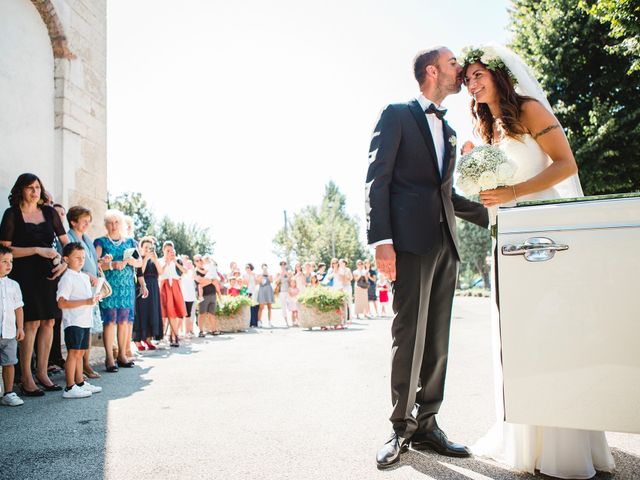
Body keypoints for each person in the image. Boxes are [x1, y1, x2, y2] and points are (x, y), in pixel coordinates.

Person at [461, 44, 614, 478]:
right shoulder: (486, 125)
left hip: (544, 232)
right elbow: (493, 182)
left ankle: (565, 447)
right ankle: (523, 440)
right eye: (468, 78)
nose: (472, 83)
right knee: (519, 335)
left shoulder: (528, 109)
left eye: (478, 74)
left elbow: (566, 164)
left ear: (497, 73)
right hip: (507, 238)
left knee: (553, 330)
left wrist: (513, 193)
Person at [366, 47, 489, 468]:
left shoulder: (450, 130)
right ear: (433, 70)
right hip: (410, 244)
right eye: (455, 64)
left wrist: (494, 214)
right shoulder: (397, 114)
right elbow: (377, 181)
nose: (462, 70)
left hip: (446, 244)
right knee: (410, 336)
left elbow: (446, 195)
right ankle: (400, 427)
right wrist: (381, 240)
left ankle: (429, 423)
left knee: (437, 339)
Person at [0, 173, 69, 396]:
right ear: (20, 190)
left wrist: (65, 263)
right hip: (24, 274)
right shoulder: (11, 214)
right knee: (31, 323)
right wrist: (37, 250)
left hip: (49, 273)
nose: (35, 191)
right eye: (30, 187)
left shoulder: (49, 212)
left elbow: (66, 244)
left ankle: (42, 372)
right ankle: (26, 377)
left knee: (49, 321)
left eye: (38, 187)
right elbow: (6, 251)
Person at [94, 209, 141, 372]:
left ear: (121, 224)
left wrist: (129, 261)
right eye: (109, 222)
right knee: (109, 321)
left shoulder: (130, 242)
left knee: (123, 321)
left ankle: (122, 354)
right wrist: (112, 264)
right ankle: (109, 357)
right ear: (105, 225)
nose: (113, 226)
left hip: (126, 287)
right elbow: (96, 264)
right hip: (109, 287)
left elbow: (139, 263)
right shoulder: (100, 242)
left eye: (116, 222)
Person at [56, 242, 102, 399]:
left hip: (85, 321)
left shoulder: (83, 276)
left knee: (81, 352)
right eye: (77, 257)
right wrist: (87, 302)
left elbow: (86, 299)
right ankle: (69, 387)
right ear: (66, 259)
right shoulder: (67, 278)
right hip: (73, 322)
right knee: (73, 353)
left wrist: (94, 298)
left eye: (83, 257)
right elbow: (61, 302)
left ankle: (80, 382)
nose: (81, 260)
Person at [66, 206, 102, 379]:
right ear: (73, 222)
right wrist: (85, 273)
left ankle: (84, 365)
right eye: (84, 221)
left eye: (89, 220)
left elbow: (90, 261)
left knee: (88, 327)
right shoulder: (68, 238)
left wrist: (101, 262)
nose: (88, 224)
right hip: (77, 289)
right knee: (79, 329)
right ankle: (80, 370)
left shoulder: (87, 239)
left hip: (91, 286)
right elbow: (68, 262)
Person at [0, 245, 25, 406]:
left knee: (9, 362)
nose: (9, 265)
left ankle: (8, 393)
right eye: (4, 261)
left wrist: (20, 327)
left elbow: (18, 308)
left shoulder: (14, 285)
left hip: (9, 332)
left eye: (11, 261)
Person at [134, 237, 163, 351]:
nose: (147, 249)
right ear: (141, 248)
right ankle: (137, 340)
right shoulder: (139, 259)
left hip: (154, 288)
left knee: (152, 312)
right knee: (142, 312)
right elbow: (141, 271)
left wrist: (155, 259)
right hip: (143, 286)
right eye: (145, 247)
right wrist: (145, 258)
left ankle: (148, 339)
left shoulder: (154, 259)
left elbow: (161, 272)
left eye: (149, 247)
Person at [158, 241, 187, 347]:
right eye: (167, 250)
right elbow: (160, 272)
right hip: (165, 286)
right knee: (166, 313)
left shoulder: (177, 261)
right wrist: (167, 262)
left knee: (174, 313)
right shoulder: (160, 261)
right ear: (163, 251)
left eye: (171, 250)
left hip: (175, 286)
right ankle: (166, 336)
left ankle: (174, 336)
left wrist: (175, 262)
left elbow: (185, 271)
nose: (170, 252)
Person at [194, 255, 220, 337]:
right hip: (203, 296)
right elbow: (200, 282)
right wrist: (212, 280)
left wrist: (211, 280)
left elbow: (217, 280)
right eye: (197, 260)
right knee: (202, 314)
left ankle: (214, 330)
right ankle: (201, 331)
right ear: (195, 262)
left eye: (200, 259)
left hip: (212, 294)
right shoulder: (196, 271)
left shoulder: (207, 268)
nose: (200, 261)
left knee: (212, 314)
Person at [180, 256, 197, 336]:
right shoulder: (182, 272)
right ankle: (181, 331)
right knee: (181, 315)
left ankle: (187, 332)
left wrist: (192, 268)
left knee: (189, 315)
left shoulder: (191, 272)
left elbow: (195, 277)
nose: (188, 264)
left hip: (191, 296)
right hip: (183, 296)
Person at [274, 261, 290, 325]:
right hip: (281, 291)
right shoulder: (278, 273)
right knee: (283, 306)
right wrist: (280, 275)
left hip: (289, 291)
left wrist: (286, 274)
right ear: (280, 266)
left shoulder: (288, 272)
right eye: (281, 264)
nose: (283, 265)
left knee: (290, 305)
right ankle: (286, 321)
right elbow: (276, 282)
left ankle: (293, 320)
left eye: (284, 264)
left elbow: (290, 280)